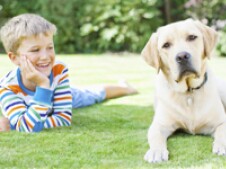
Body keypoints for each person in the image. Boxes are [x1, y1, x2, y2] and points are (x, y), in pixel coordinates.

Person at [0, 13, 137, 133]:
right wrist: (25, 124)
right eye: (35, 50)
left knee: (92, 95)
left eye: (50, 47)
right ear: (14, 58)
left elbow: (63, 119)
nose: (45, 56)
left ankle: (126, 88)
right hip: (43, 105)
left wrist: (16, 125)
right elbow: (28, 127)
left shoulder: (58, 70)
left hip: (61, 94)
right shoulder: (7, 89)